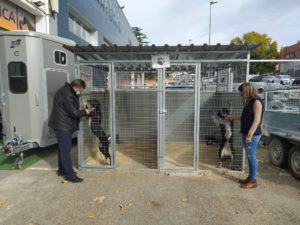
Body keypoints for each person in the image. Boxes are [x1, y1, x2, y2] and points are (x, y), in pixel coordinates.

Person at [48, 79, 91, 183]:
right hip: (63, 126)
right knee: (65, 150)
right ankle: (69, 175)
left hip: (61, 124)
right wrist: (85, 111)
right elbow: (74, 113)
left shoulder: (65, 91)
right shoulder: (68, 94)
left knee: (62, 149)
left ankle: (63, 170)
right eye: (81, 90)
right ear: (77, 87)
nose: (81, 92)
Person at [225, 82, 264, 188]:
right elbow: (245, 117)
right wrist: (232, 117)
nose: (240, 95)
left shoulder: (256, 102)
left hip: (252, 135)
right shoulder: (250, 102)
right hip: (246, 133)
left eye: (241, 93)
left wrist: (250, 135)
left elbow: (257, 120)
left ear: (246, 91)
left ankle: (253, 180)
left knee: (252, 157)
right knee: (250, 156)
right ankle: (250, 177)